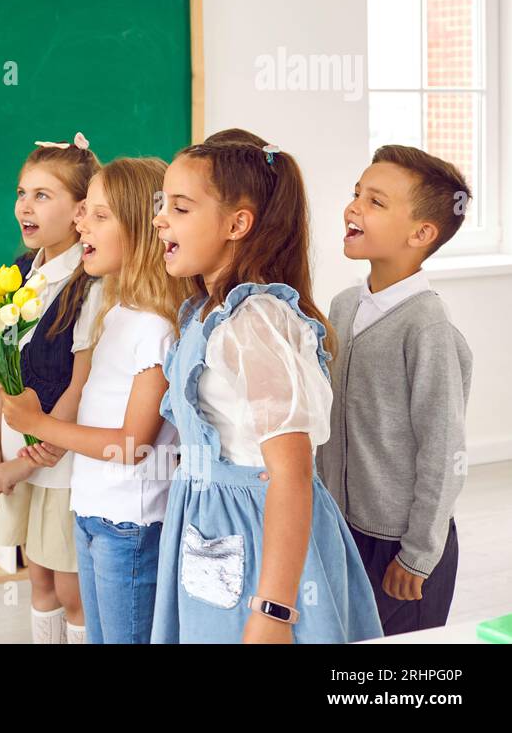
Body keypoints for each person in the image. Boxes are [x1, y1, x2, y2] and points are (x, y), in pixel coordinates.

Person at [149, 139, 382, 643]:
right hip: (210, 524)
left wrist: (273, 609)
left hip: (256, 538)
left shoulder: (253, 323)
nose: (161, 219)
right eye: (161, 204)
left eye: (180, 207)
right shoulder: (206, 313)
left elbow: (292, 473)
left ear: (237, 225)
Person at [4, 157, 192, 643]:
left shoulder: (155, 328)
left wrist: (39, 424)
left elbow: (133, 445)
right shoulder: (115, 312)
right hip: (93, 512)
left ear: (142, 228)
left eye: (99, 215)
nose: (81, 223)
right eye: (84, 211)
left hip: (129, 526)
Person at [319, 144, 472, 635]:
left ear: (421, 233)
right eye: (356, 194)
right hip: (343, 527)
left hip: (401, 545)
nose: (353, 207)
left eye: (375, 202)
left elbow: (444, 450)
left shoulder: (428, 328)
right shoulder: (342, 306)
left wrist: (419, 555)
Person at [0, 132, 100, 644]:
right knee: (39, 582)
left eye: (43, 196)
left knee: (72, 593)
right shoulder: (18, 273)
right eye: (21, 193)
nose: (24, 207)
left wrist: (19, 464)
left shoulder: (91, 284)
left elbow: (75, 398)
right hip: (13, 459)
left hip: (59, 466)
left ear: (80, 211)